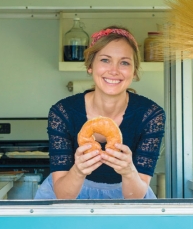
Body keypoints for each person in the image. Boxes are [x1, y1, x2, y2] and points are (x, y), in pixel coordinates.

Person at [35, 26, 165, 200]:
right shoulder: (63, 113)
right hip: (68, 197)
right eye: (105, 60)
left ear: (134, 71)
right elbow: (62, 195)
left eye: (124, 62)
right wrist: (78, 170)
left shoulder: (150, 115)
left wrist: (128, 172)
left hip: (128, 200)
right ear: (90, 66)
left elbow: (136, 197)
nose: (114, 70)